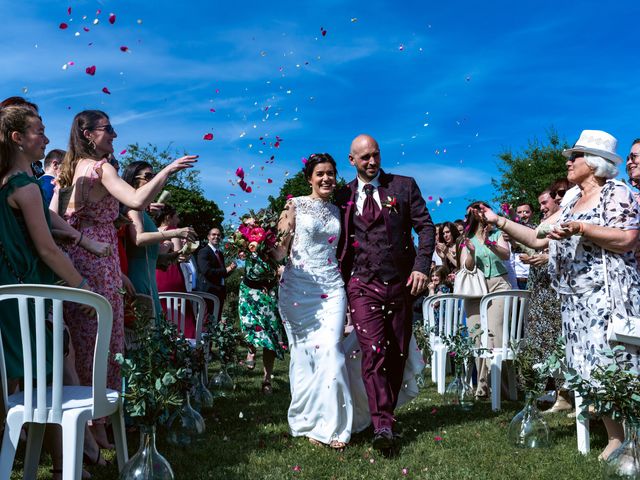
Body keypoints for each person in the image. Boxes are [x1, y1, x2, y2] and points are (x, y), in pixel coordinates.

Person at [476, 129, 640, 460]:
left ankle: (631, 436)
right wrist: (499, 221)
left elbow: (626, 238)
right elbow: (538, 239)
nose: (568, 161)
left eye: (575, 156)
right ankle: (614, 436)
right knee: (591, 369)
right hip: (575, 302)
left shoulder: (616, 192)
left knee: (618, 364)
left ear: (593, 163)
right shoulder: (570, 202)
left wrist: (583, 229)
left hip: (607, 297)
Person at [53, 109, 197, 448]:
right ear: (88, 134)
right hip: (98, 263)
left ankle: (88, 429)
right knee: (106, 343)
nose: (114, 135)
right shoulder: (101, 169)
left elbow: (56, 218)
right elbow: (135, 199)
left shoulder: (71, 171)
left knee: (81, 343)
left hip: (75, 261)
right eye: (108, 129)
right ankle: (98, 425)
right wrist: (167, 171)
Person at [0, 105, 99, 479]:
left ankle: (58, 462)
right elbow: (46, 249)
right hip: (27, 295)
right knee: (55, 381)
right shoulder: (23, 187)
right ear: (18, 139)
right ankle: (64, 467)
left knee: (48, 376)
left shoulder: (10, 181)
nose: (46, 138)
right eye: (38, 132)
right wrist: (84, 287)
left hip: (13, 291)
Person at [335, 134, 435, 450]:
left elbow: (426, 227)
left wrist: (421, 267)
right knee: (374, 351)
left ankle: (385, 415)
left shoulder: (403, 186)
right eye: (364, 157)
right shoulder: (342, 195)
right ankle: (382, 427)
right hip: (361, 284)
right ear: (351, 160)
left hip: (401, 283)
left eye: (375, 155)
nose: (372, 162)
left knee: (396, 352)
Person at [121, 163, 196, 322]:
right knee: (143, 333)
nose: (152, 180)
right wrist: (176, 232)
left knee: (154, 332)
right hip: (138, 279)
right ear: (134, 181)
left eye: (154, 176)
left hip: (150, 280)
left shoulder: (143, 212)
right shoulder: (133, 209)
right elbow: (138, 239)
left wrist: (166, 258)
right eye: (148, 176)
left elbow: (146, 253)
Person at [519, 187, 571, 413]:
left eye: (545, 202)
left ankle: (564, 394)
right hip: (539, 287)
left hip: (554, 288)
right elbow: (533, 243)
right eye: (540, 204)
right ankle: (549, 392)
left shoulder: (563, 221)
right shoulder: (543, 224)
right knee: (540, 342)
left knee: (557, 339)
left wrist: (547, 257)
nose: (542, 207)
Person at [457, 201, 512, 398]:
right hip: (475, 289)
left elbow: (506, 255)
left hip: (499, 285)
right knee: (477, 336)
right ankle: (483, 386)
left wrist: (489, 242)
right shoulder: (466, 239)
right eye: (476, 209)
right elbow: (466, 267)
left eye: (483, 208)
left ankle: (498, 388)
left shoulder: (497, 234)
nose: (480, 212)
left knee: (494, 336)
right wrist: (471, 253)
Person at [237, 214, 287, 394]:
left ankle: (267, 380)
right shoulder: (247, 244)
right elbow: (239, 250)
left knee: (270, 337)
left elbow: (282, 263)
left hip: (268, 293)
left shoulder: (275, 249)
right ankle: (251, 350)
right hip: (249, 291)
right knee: (250, 325)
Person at [154, 203, 197, 336]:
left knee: (162, 309)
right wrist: (189, 250)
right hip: (171, 274)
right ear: (168, 217)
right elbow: (180, 256)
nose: (178, 220)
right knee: (181, 312)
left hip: (155, 274)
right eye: (176, 217)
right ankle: (185, 342)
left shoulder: (153, 230)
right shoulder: (173, 230)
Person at [196, 227, 236, 318]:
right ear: (208, 237)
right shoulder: (204, 252)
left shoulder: (220, 254)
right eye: (213, 234)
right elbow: (207, 271)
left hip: (219, 292)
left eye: (218, 235)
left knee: (216, 322)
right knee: (207, 322)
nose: (216, 237)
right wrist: (226, 269)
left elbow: (221, 274)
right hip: (208, 292)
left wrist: (231, 269)